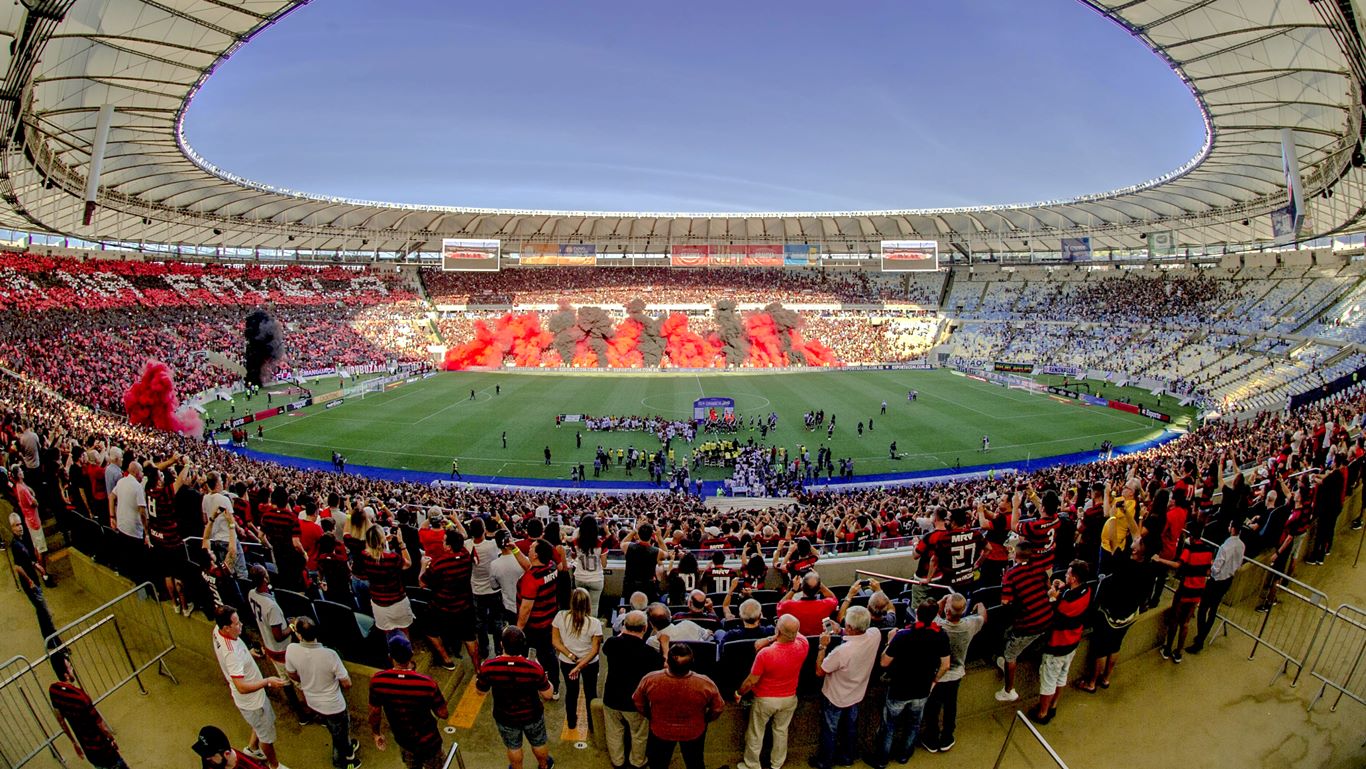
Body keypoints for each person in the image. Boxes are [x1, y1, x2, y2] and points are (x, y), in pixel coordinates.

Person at [873, 600, 949, 769]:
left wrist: (889, 642)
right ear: (936, 616)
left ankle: (881, 760)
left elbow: (884, 662)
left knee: (889, 726)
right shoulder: (941, 635)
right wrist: (934, 681)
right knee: (914, 724)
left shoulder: (902, 635)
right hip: (922, 690)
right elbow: (946, 665)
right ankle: (904, 756)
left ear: (916, 614)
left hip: (899, 690)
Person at [211, 606, 289, 769]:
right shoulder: (232, 655)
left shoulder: (217, 631)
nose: (241, 625)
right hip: (253, 702)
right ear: (226, 627)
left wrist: (249, 654)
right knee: (266, 737)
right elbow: (241, 687)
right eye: (237, 624)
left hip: (251, 701)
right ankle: (274, 765)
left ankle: (253, 748)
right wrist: (267, 681)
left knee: (259, 726)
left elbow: (237, 659)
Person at [632, 643, 725, 769]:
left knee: (658, 763)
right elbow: (718, 708)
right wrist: (705, 719)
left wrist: (650, 716)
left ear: (667, 661)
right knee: (695, 762)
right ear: (693, 662)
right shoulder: (705, 683)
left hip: (660, 730)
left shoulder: (650, 679)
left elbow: (638, 701)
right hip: (694, 731)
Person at [285, 617, 360, 769]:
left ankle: (345, 745)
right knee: (339, 732)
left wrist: (307, 680)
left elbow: (291, 674)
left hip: (312, 701)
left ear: (299, 635)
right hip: (333, 705)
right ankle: (343, 760)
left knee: (334, 728)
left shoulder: (291, 649)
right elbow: (347, 683)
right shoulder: (330, 655)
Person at [735, 615, 808, 769]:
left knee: (756, 733)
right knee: (781, 731)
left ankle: (752, 765)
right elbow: (794, 632)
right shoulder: (804, 645)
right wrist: (776, 635)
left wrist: (739, 692)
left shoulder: (765, 653)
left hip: (765, 700)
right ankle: (777, 765)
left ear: (778, 631)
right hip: (789, 698)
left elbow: (751, 681)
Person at [476, 626, 555, 769]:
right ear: (523, 645)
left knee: (513, 747)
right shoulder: (534, 668)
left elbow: (480, 692)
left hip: (505, 716)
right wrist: (543, 674)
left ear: (501, 644)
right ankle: (544, 765)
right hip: (532, 715)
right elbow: (548, 694)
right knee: (538, 742)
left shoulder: (489, 667)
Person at [812, 606, 879, 769]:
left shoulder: (841, 652)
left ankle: (824, 762)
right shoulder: (875, 634)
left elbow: (820, 671)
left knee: (830, 730)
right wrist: (842, 631)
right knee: (850, 728)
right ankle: (847, 757)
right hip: (857, 693)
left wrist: (822, 646)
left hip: (835, 697)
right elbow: (860, 635)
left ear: (850, 627)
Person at [369, 635, 448, 769]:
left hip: (405, 741)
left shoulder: (378, 681)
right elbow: (443, 713)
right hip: (429, 742)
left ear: (390, 656)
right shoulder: (427, 684)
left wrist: (376, 733)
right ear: (411, 654)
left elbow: (374, 712)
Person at [1076, 541, 1145, 693]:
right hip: (1129, 615)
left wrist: (1113, 520)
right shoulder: (1148, 567)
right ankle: (1106, 678)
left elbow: (1113, 544)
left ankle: (1092, 683)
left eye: (1137, 543)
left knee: (1100, 649)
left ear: (1140, 550)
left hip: (1110, 614)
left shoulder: (1124, 564)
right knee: (1115, 646)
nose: (1132, 545)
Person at [922, 593, 987, 753]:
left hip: (936, 676)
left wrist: (942, 601)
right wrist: (980, 605)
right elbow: (983, 617)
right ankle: (947, 737)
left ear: (947, 612)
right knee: (951, 707)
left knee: (932, 708)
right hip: (956, 674)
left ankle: (931, 739)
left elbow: (929, 611)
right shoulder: (969, 625)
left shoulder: (938, 625)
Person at [1030, 560, 1092, 724]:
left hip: (1057, 646)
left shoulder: (1066, 603)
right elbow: (1070, 597)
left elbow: (1052, 616)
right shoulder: (1086, 590)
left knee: (1048, 682)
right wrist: (1062, 588)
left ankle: (1042, 713)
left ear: (1074, 578)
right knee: (1062, 676)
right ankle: (1053, 705)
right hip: (1072, 643)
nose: (1065, 575)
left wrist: (1052, 598)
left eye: (1068, 574)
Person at [246, 565, 309, 723]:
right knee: (300, 682)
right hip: (281, 650)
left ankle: (300, 714)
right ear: (265, 578)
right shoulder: (271, 607)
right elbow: (279, 635)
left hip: (270, 646)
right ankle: (310, 712)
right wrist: (293, 625)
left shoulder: (251, 594)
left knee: (285, 681)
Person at [602, 610, 662, 769]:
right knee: (639, 735)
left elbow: (609, 646)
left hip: (611, 697)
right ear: (645, 628)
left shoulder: (612, 643)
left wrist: (624, 632)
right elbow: (662, 668)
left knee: (614, 732)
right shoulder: (650, 653)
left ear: (624, 626)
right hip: (636, 703)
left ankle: (618, 761)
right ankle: (637, 761)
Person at [49, 651, 129, 769]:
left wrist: (73, 742)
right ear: (65, 673)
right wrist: (111, 739)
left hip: (89, 751)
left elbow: (60, 720)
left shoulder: (54, 691)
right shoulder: (81, 697)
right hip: (103, 749)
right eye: (69, 666)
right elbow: (100, 725)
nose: (72, 668)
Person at [994, 542, 1051, 703]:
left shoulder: (1011, 575)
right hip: (1047, 618)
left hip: (1029, 624)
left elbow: (1005, 602)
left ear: (1015, 555)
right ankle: (1003, 661)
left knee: (1011, 654)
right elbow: (1047, 587)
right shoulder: (1039, 568)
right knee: (1007, 638)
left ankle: (1009, 690)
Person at [1154, 527, 1215, 664]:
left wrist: (1160, 560)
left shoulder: (1189, 550)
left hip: (1185, 588)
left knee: (1175, 619)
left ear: (1191, 537)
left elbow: (1177, 565)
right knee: (1186, 623)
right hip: (1198, 590)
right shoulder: (1209, 551)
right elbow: (1208, 570)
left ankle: (1168, 648)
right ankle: (1178, 652)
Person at [421, 527, 479, 671]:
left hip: (444, 607)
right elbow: (464, 536)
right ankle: (478, 668)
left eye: (444, 542)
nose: (442, 544)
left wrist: (423, 566)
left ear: (449, 546)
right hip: (465, 605)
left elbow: (422, 583)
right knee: (470, 638)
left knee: (429, 630)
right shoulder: (466, 556)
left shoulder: (439, 563)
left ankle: (446, 660)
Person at [551, 588, 604, 731]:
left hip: (568, 663)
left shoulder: (560, 617)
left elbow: (556, 642)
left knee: (571, 691)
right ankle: (593, 725)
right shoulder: (594, 623)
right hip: (589, 663)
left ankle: (571, 722)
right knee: (591, 692)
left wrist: (572, 657)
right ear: (588, 604)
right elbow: (595, 650)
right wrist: (581, 664)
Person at [1190, 520, 1245, 653]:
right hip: (1228, 580)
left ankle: (1200, 637)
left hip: (1216, 580)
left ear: (1232, 528)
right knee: (1213, 608)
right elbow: (1238, 563)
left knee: (1203, 608)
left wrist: (1212, 567)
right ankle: (1202, 636)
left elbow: (1216, 568)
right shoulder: (1241, 545)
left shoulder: (1225, 547)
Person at [518, 539, 562, 697]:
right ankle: (555, 685)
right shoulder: (550, 566)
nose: (528, 549)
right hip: (549, 619)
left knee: (537, 654)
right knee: (549, 653)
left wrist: (518, 629)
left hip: (534, 625)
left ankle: (536, 684)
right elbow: (530, 566)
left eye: (531, 548)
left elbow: (526, 608)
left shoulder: (531, 579)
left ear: (536, 555)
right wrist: (515, 550)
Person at [363, 524, 414, 639]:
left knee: (388, 635)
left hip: (378, 602)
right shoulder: (392, 557)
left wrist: (383, 540)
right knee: (404, 632)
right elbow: (408, 564)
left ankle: (393, 655)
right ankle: (406, 654)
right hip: (397, 601)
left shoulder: (364, 556)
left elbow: (374, 552)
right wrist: (401, 543)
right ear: (381, 539)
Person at [775, 571, 838, 636]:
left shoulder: (790, 606)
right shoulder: (827, 604)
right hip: (822, 641)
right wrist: (819, 582)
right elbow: (833, 599)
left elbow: (780, 606)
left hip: (799, 642)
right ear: (819, 588)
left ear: (801, 587)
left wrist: (793, 590)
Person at [192, 725, 268, 769]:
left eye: (210, 755)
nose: (206, 758)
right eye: (204, 753)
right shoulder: (212, 760)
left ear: (227, 754)